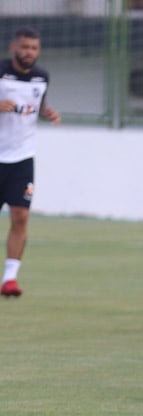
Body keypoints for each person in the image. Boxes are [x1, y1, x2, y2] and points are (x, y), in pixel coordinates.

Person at [0, 26, 60, 298]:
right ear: (13, 47)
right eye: (24, 47)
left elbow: (38, 105)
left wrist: (47, 112)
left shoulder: (42, 77)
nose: (29, 53)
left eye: (34, 48)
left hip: (23, 157)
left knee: (21, 216)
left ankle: (10, 280)